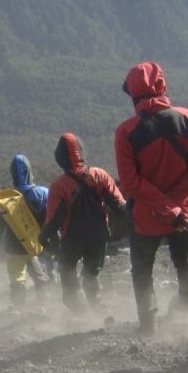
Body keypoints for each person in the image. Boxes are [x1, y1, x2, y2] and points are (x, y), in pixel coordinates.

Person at [114, 61, 188, 336]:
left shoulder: (125, 132)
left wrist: (163, 205)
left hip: (146, 218)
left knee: (142, 270)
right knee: (184, 261)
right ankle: (187, 313)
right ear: (161, 85)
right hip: (184, 213)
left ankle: (148, 325)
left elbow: (131, 183)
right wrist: (175, 202)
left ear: (133, 93)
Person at [40, 133, 128, 313]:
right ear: (82, 152)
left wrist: (42, 238)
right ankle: (94, 307)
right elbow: (120, 205)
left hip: (72, 238)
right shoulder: (99, 175)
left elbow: (54, 219)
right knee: (91, 273)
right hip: (98, 236)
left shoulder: (59, 185)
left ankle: (78, 310)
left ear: (60, 157)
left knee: (67, 269)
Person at [0, 154, 51, 307]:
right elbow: (51, 216)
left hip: (13, 247)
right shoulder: (42, 193)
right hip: (32, 243)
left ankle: (18, 309)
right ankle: (44, 306)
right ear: (29, 171)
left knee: (17, 279)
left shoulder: (6, 198)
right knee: (39, 275)